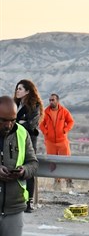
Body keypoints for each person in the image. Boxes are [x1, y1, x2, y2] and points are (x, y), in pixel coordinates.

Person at [0, 95, 39, 235]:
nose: (8, 125)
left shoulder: (22, 133)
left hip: (15, 207)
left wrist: (24, 171)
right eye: (3, 120)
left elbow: (33, 163)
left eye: (12, 120)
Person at [14, 79, 43, 213]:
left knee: (28, 169)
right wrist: (20, 121)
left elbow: (31, 124)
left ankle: (28, 201)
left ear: (27, 91)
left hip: (28, 141)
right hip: (14, 140)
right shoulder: (15, 104)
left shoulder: (34, 105)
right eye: (17, 88)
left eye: (20, 88)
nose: (17, 91)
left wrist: (17, 123)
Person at [39, 93, 75, 189]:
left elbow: (71, 121)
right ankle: (57, 183)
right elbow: (41, 124)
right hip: (50, 142)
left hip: (62, 140)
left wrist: (65, 130)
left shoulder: (64, 111)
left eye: (53, 100)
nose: (51, 101)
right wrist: (46, 132)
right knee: (53, 162)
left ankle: (69, 182)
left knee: (66, 161)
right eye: (50, 100)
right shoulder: (45, 112)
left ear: (57, 101)